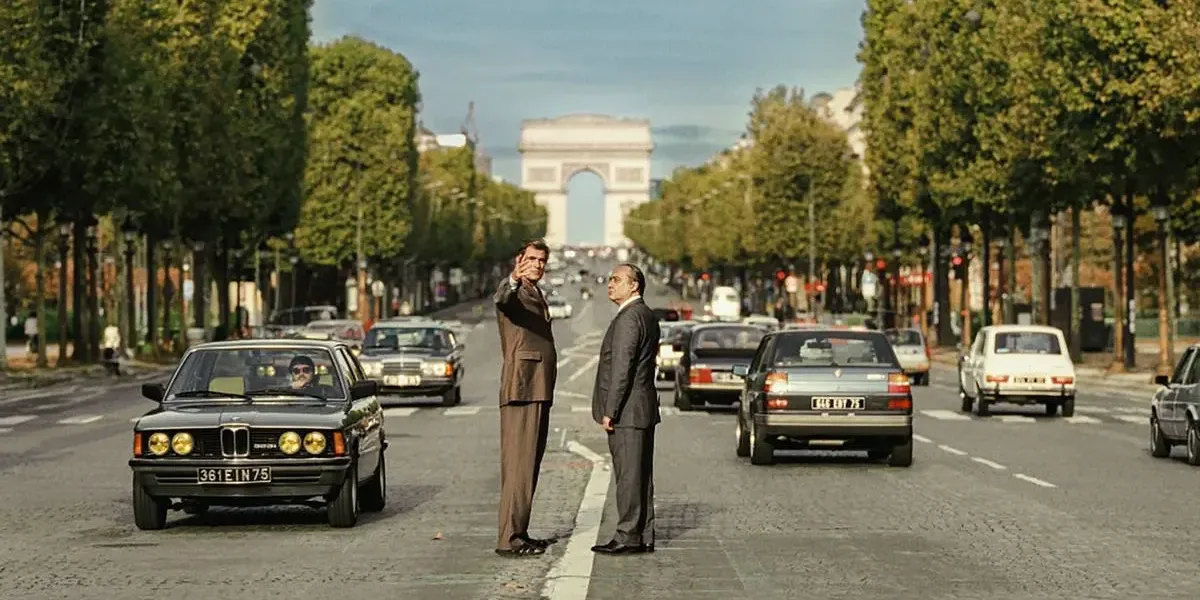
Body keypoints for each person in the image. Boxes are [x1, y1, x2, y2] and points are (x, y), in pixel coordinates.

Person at [493, 239, 559, 557]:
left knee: (528, 464)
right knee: (519, 465)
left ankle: (519, 530)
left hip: (536, 386)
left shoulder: (535, 291)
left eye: (542, 260)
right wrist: (513, 280)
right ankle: (509, 538)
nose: (537, 264)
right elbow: (503, 300)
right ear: (519, 260)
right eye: (531, 259)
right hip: (523, 387)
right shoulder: (516, 290)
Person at [590, 263, 660, 555]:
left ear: (634, 285)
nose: (610, 284)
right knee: (641, 476)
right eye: (610, 280)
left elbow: (622, 367)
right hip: (641, 408)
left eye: (617, 280)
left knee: (629, 477)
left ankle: (627, 535)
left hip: (628, 411)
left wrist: (611, 410)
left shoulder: (629, 318)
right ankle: (642, 534)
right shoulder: (645, 314)